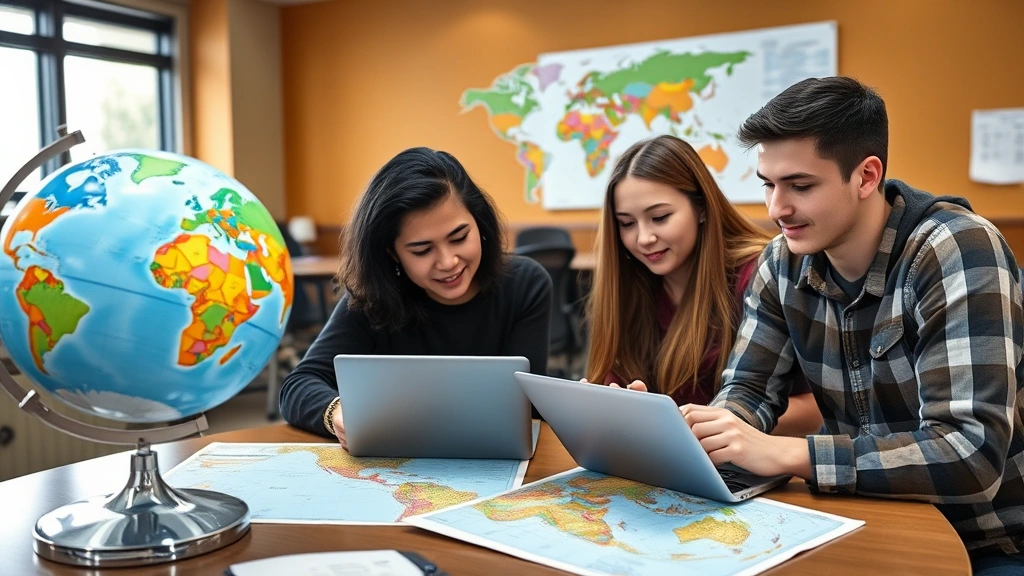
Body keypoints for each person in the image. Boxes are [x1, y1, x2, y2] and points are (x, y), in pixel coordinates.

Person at [680, 77, 1024, 574]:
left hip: (990, 541)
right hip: (865, 519)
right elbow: (749, 390)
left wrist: (789, 454)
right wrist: (712, 433)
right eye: (768, 185)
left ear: (866, 177)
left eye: (800, 186)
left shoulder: (958, 249)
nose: (776, 209)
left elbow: (970, 455)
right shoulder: (783, 262)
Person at [279, 147, 552, 450]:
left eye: (459, 237)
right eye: (422, 250)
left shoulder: (525, 283)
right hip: (399, 468)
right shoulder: (373, 296)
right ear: (391, 253)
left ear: (480, 224)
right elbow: (297, 386)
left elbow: (530, 409)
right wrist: (337, 413)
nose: (448, 262)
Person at [585, 134, 822, 436]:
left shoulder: (762, 275)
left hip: (752, 463)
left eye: (660, 217)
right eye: (627, 223)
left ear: (701, 208)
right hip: (670, 458)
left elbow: (814, 410)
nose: (643, 238)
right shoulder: (629, 285)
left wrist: (706, 428)